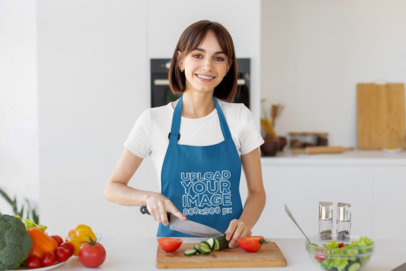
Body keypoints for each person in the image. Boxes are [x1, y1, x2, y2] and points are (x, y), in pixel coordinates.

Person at [104, 20, 266, 248]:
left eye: (218, 58)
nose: (208, 66)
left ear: (228, 67)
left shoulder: (239, 117)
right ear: (180, 60)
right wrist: (148, 197)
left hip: (230, 248)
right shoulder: (153, 121)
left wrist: (245, 223)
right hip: (175, 248)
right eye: (197, 55)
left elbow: (257, 193)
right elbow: (113, 187)